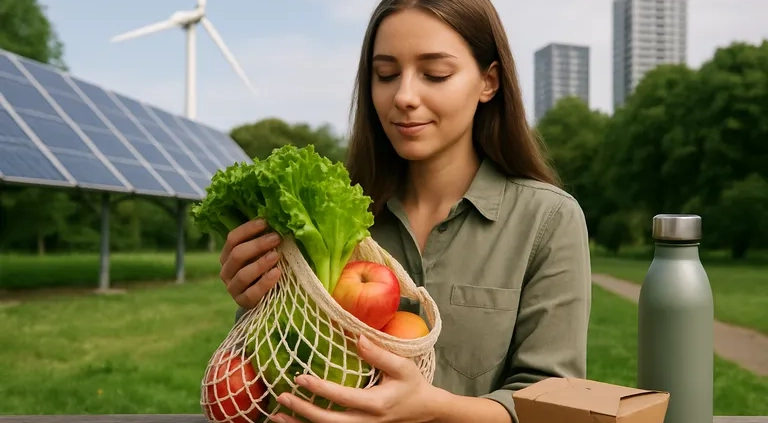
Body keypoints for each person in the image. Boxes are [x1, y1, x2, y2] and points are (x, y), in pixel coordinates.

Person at [218, 0, 592, 421]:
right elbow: (267, 378)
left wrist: (433, 408)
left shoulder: (547, 220)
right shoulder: (325, 220)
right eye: (386, 75)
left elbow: (553, 404)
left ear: (488, 82)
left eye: (435, 74)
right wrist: (255, 301)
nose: (404, 96)